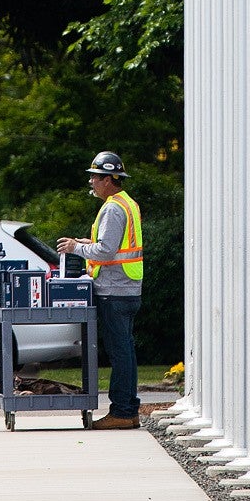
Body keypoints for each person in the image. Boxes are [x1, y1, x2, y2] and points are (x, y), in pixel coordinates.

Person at [58, 151, 143, 431]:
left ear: (109, 179)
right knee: (126, 352)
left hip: (114, 291)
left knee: (120, 355)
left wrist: (76, 248)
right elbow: (114, 246)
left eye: (95, 177)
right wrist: (87, 243)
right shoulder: (127, 203)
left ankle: (122, 411)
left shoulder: (112, 208)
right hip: (127, 289)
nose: (92, 182)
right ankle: (128, 409)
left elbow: (106, 252)